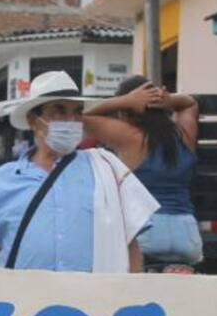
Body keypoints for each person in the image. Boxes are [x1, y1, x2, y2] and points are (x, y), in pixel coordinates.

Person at [0, 70, 158, 272]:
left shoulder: (106, 170)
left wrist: (133, 288)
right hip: (24, 293)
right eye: (58, 111)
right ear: (32, 120)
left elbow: (130, 242)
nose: (71, 120)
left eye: (77, 112)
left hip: (93, 293)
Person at [82, 75, 202, 271]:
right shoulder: (183, 135)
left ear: (125, 112)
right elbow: (190, 104)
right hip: (186, 234)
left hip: (146, 232)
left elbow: (80, 116)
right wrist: (167, 99)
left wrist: (125, 100)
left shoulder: (129, 137)